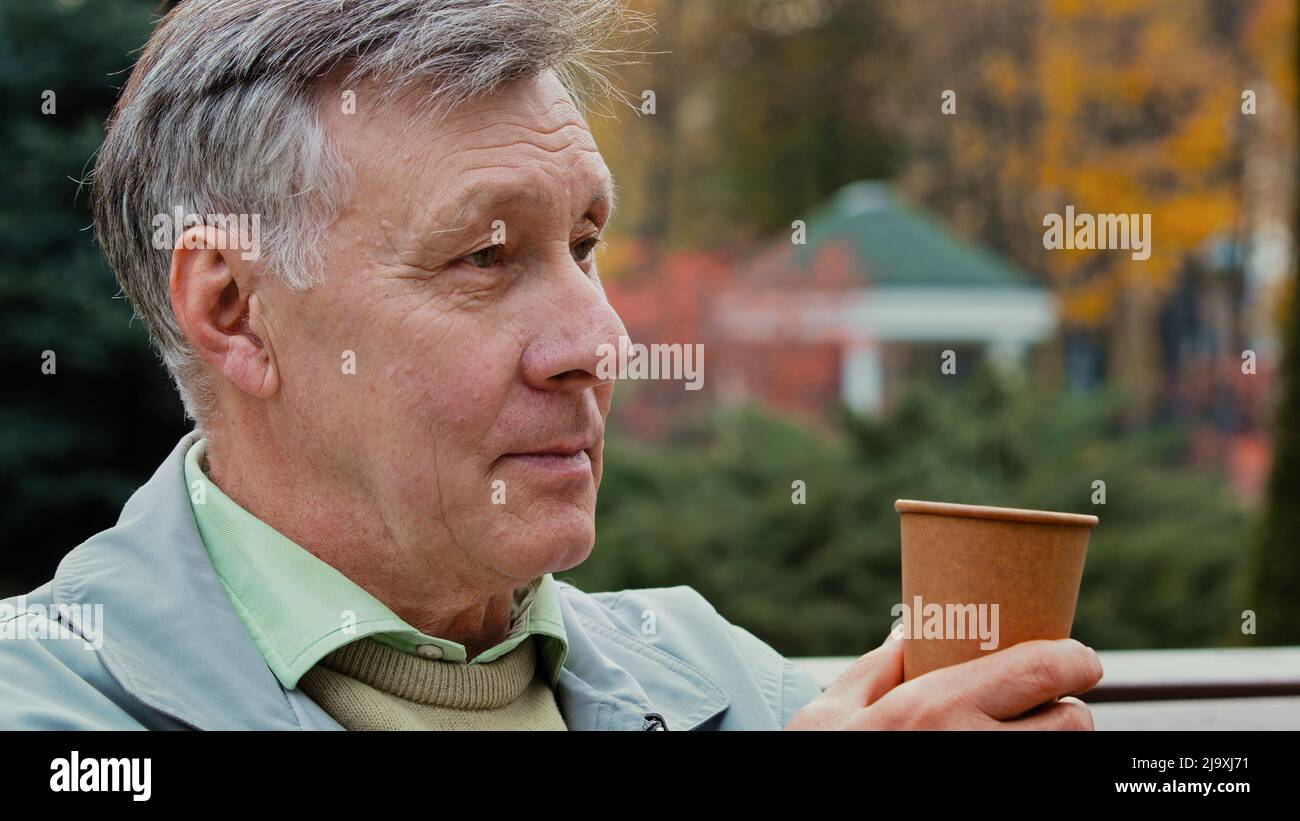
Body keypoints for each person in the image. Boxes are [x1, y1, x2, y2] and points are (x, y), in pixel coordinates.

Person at [0, 0, 1100, 730]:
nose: (602, 342)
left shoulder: (720, 674)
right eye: (486, 254)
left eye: (583, 244)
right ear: (233, 312)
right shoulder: (49, 698)